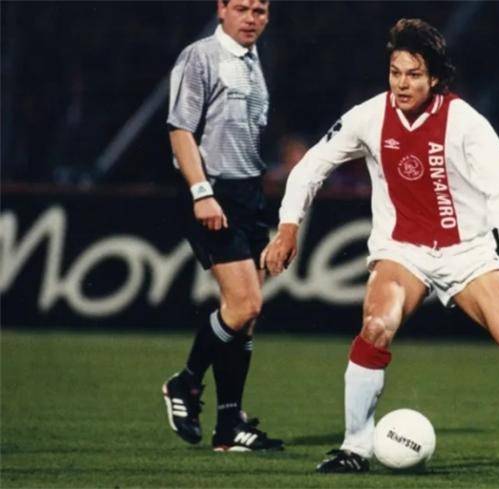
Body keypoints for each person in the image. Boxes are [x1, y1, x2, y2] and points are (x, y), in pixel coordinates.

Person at [264, 18, 499, 473]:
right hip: (402, 250)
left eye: (414, 74)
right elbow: (312, 166)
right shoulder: (368, 116)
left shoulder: (466, 123)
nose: (402, 84)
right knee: (376, 326)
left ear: (435, 78)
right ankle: (354, 448)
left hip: (468, 253)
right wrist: (288, 226)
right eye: (395, 72)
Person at [161, 0, 283, 453]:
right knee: (245, 305)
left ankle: (229, 426)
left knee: (245, 319)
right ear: (221, 9)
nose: (252, 18)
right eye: (243, 8)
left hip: (249, 194)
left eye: (261, 10)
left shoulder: (253, 60)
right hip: (214, 191)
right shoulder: (201, 56)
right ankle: (186, 382)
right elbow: (180, 130)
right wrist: (201, 192)